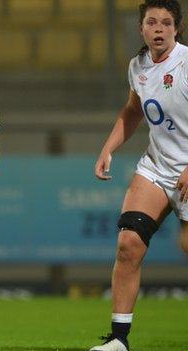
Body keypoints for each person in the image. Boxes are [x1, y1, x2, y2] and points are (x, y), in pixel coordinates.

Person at [91, 1, 188, 350]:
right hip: (157, 168)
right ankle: (118, 340)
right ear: (142, 28)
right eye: (152, 22)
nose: (159, 28)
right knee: (129, 244)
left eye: (166, 22)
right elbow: (133, 110)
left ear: (177, 28)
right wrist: (108, 147)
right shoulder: (139, 66)